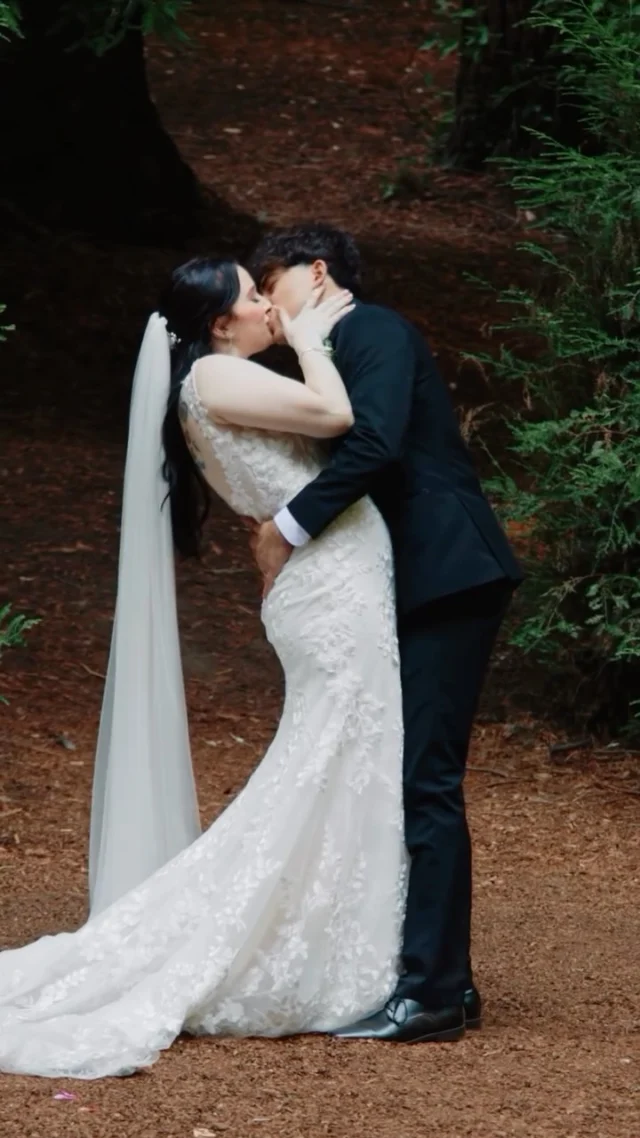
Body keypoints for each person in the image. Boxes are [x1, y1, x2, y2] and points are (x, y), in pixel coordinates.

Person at [0, 258, 409, 1080]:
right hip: (331, 594)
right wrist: (308, 336)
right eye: (254, 298)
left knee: (339, 765)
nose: (267, 306)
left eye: (269, 295)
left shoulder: (218, 380)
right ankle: (282, 947)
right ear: (220, 324)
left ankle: (338, 937)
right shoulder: (217, 378)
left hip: (336, 585)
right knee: (325, 765)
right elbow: (335, 413)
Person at [248, 223, 523, 1043]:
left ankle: (433, 993)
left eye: (273, 283)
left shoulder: (372, 329)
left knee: (424, 779)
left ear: (318, 272)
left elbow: (377, 441)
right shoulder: (323, 358)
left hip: (447, 567)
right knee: (409, 773)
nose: (266, 301)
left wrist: (286, 529)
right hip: (411, 578)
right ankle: (447, 981)